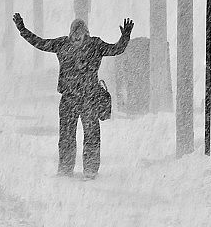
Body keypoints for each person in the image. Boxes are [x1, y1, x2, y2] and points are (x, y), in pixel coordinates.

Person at [12, 12, 133, 179]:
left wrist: (125, 37)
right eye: (74, 34)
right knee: (67, 135)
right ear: (70, 34)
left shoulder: (95, 45)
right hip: (70, 98)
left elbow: (116, 49)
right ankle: (66, 169)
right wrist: (22, 29)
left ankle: (90, 170)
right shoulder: (62, 43)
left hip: (89, 98)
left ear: (86, 33)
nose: (77, 37)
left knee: (91, 135)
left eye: (80, 33)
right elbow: (39, 43)